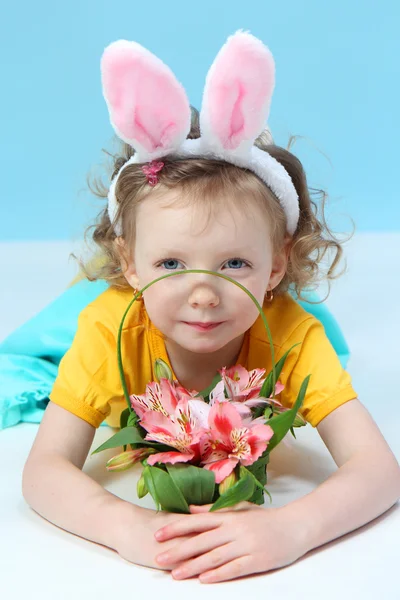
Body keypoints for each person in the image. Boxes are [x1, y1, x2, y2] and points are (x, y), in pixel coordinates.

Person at [22, 31, 400, 584]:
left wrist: (291, 529)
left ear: (275, 266)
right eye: (171, 263)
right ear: (130, 264)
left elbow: (379, 471)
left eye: (234, 264)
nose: (203, 294)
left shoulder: (292, 336)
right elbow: (42, 471)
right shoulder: (109, 331)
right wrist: (127, 527)